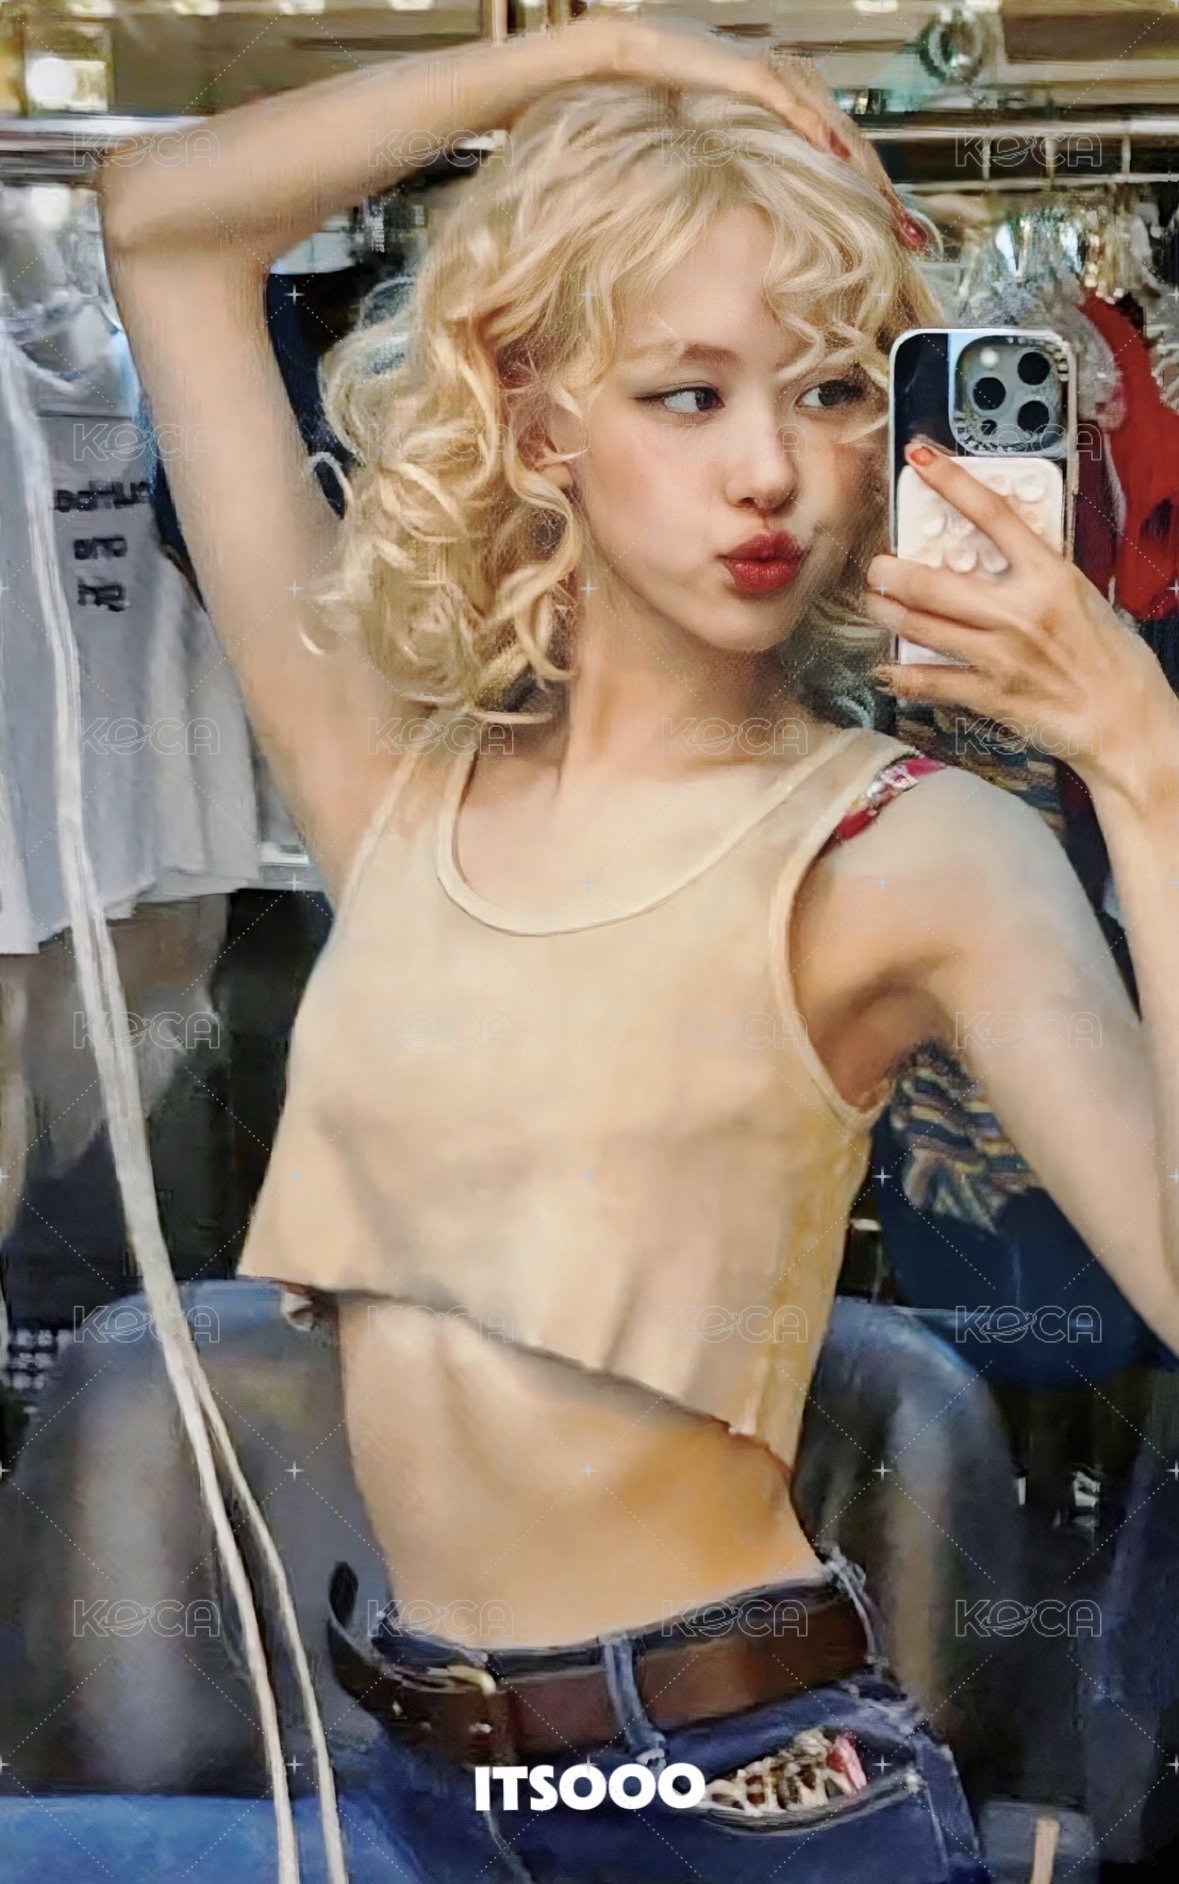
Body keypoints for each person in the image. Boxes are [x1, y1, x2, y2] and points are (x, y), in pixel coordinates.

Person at [96, 14, 1179, 1880]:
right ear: (540, 428)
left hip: (742, 1792)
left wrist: (1142, 759)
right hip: (425, 1778)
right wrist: (587, 56)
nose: (774, 470)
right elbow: (164, 223)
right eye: (689, 395)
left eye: (830, 392)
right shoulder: (394, 781)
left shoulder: (913, 847)